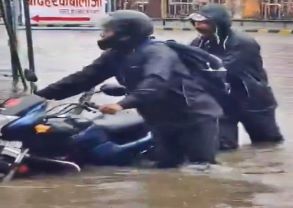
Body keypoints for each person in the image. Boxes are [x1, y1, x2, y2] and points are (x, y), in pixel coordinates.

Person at [36, 10, 223, 168]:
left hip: (194, 117)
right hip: (159, 119)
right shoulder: (115, 56)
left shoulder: (158, 52)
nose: (103, 34)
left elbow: (155, 83)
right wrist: (39, 96)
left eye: (108, 30)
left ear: (126, 33)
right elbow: (82, 79)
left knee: (201, 167)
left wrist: (122, 104)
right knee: (167, 168)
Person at [188, 4, 283, 150]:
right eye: (197, 23)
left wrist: (195, 70)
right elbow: (189, 62)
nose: (199, 27)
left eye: (205, 23)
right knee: (223, 146)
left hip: (253, 101)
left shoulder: (242, 42)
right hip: (224, 101)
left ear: (219, 24)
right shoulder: (200, 42)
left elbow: (225, 69)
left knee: (268, 144)